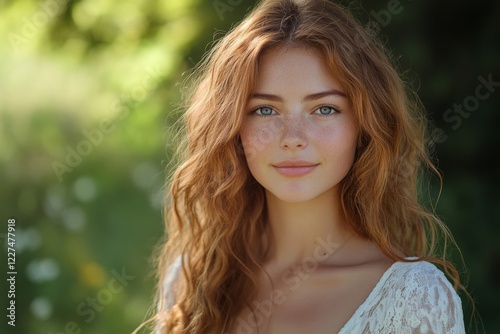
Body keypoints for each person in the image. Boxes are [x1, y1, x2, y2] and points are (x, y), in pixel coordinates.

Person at [138, 0, 470, 333]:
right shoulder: (192, 280)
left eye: (324, 109)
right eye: (265, 110)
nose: (293, 138)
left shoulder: (414, 300)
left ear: (363, 125)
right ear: (233, 128)